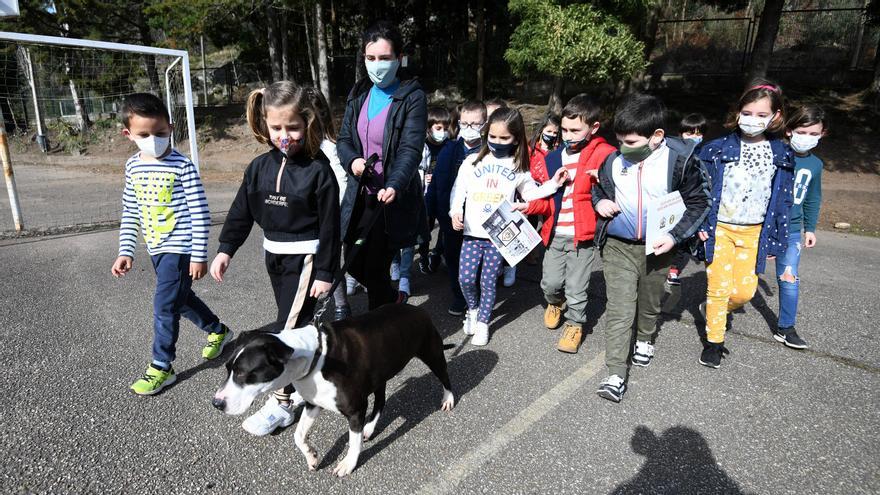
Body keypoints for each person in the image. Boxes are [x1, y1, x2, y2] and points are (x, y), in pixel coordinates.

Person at [210, 81, 340, 435]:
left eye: (293, 127)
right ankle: (310, 373)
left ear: (308, 123)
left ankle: (283, 403)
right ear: (264, 124)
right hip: (275, 258)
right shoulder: (258, 168)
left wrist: (326, 272)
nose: (285, 135)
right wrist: (225, 249)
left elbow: (331, 227)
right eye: (277, 127)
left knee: (285, 331)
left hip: (307, 261)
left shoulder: (319, 170)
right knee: (295, 324)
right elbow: (241, 211)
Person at [111, 93, 232, 396]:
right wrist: (126, 250)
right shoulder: (133, 166)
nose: (154, 139)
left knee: (164, 305)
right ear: (128, 134)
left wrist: (198, 254)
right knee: (180, 297)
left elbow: (200, 212)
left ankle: (162, 366)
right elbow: (130, 210)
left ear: (171, 128)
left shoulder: (182, 165)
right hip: (156, 247)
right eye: (144, 134)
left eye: (161, 133)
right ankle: (219, 331)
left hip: (180, 248)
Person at [592, 93, 710, 402]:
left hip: (658, 247)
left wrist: (674, 237)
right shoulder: (613, 161)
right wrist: (600, 201)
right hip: (618, 247)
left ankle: (645, 337)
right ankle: (615, 374)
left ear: (656, 136)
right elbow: (599, 189)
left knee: (650, 299)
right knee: (619, 308)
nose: (623, 148)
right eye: (619, 141)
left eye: (631, 142)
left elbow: (699, 202)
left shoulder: (679, 161)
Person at [696, 80, 794, 369]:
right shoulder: (715, 149)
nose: (753, 120)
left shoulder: (781, 154)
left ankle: (714, 310)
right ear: (737, 112)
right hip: (720, 228)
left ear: (775, 116)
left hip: (755, 231)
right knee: (718, 287)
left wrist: (777, 238)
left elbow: (783, 201)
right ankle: (714, 341)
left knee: (744, 292)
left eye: (762, 115)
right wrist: (700, 223)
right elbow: (699, 189)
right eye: (748, 112)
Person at [451, 107, 568, 346]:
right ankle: (472, 310)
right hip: (472, 233)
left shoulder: (518, 166)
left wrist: (553, 184)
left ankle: (483, 322)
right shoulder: (471, 162)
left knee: (488, 281)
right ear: (486, 134)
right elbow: (459, 190)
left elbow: (532, 193)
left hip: (499, 235)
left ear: (516, 138)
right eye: (493, 136)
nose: (497, 142)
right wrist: (455, 211)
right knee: (465, 278)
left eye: (504, 138)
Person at [337, 20, 428, 310]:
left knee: (376, 269)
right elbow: (343, 139)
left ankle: (380, 332)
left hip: (389, 200)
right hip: (360, 195)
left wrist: (395, 183)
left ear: (399, 58)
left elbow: (410, 149)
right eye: (371, 58)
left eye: (385, 58)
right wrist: (352, 160)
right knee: (352, 262)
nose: (377, 65)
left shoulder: (412, 96)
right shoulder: (359, 92)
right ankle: (392, 304)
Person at [517, 95, 616, 353]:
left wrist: (604, 181)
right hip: (554, 233)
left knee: (577, 287)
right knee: (549, 283)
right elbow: (547, 200)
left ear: (593, 128)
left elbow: (621, 189)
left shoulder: (605, 154)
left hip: (581, 236)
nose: (568, 135)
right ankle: (555, 302)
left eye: (575, 130)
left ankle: (575, 323)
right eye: (564, 129)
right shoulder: (553, 158)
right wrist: (528, 207)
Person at [425, 100, 487, 316]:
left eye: (475, 124)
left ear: (485, 124)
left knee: (477, 260)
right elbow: (435, 186)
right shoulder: (449, 149)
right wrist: (430, 211)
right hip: (450, 216)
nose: (469, 129)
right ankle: (459, 295)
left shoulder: (490, 153)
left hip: (480, 219)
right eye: (465, 123)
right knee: (453, 255)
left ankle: (476, 293)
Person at [773, 104, 827, 349]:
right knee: (743, 279)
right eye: (802, 132)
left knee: (789, 279)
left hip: (792, 230)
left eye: (813, 134)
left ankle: (786, 327)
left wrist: (810, 228)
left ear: (822, 134)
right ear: (789, 130)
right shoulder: (773, 152)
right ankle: (722, 307)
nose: (807, 138)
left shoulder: (816, 165)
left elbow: (813, 197)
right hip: (762, 227)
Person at [305, 87, 353, 321]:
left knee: (329, 262)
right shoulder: (299, 147)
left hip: (327, 217)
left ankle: (342, 306)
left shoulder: (329, 147)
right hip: (305, 219)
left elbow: (341, 183)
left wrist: (332, 214)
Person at [666, 112, 708, 287]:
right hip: (675, 202)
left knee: (687, 238)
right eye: (689, 133)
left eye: (699, 134)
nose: (694, 138)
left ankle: (674, 270)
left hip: (695, 203)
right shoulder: (674, 154)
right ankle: (667, 266)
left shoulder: (705, 154)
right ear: (680, 134)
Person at [417, 105, 454, 274]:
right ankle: (423, 256)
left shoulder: (450, 146)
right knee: (426, 229)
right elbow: (416, 169)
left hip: (444, 194)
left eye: (446, 128)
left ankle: (437, 253)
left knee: (445, 229)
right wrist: (423, 178)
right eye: (438, 128)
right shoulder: (421, 147)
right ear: (429, 128)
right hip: (426, 195)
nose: (443, 132)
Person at [529, 113, 561, 182]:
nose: (552, 135)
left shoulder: (558, 151)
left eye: (555, 133)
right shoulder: (531, 149)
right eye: (549, 131)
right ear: (541, 130)